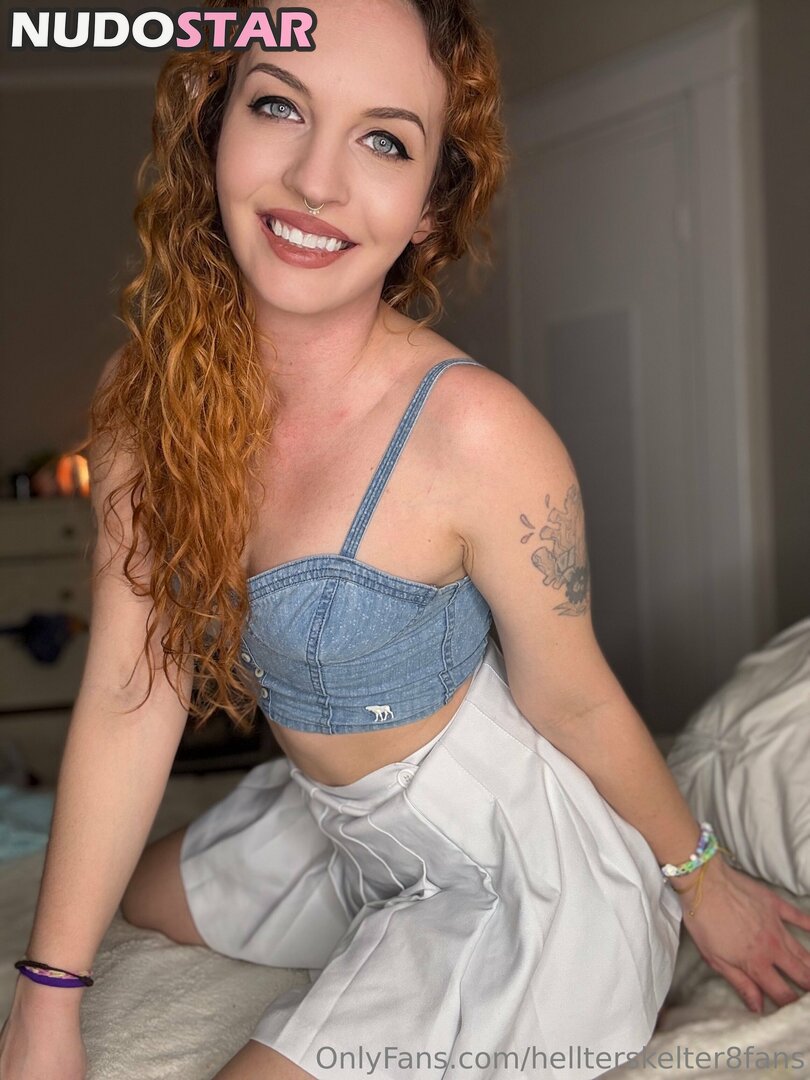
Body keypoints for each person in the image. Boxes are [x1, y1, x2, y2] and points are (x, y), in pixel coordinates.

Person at [3, 1, 810, 1078]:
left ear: (432, 205)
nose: (316, 180)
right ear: (213, 126)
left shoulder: (479, 434)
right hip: (336, 822)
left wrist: (703, 882)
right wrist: (47, 997)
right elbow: (128, 689)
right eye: (279, 106)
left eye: (383, 139)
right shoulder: (144, 401)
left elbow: (572, 698)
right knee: (135, 896)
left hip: (515, 872)